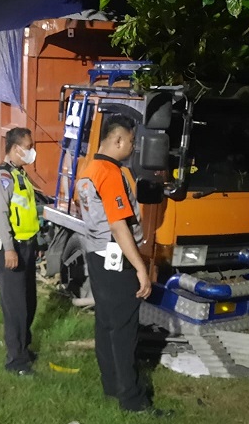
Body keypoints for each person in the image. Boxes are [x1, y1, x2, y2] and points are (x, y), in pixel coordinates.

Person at [75, 115, 169, 417]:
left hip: (97, 256)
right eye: (130, 140)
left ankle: (112, 386)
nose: (132, 145)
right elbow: (118, 226)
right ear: (117, 140)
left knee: (106, 323)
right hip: (116, 259)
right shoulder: (110, 172)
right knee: (125, 329)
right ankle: (133, 399)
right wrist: (140, 267)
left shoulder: (89, 169)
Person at [0, 127, 41, 376]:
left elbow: (27, 211)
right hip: (13, 248)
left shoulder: (20, 174)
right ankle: (15, 361)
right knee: (15, 306)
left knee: (29, 302)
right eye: (28, 146)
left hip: (27, 245)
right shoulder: (3, 177)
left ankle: (23, 349)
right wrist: (10, 250)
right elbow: (0, 215)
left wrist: (35, 244)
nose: (32, 151)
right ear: (15, 148)